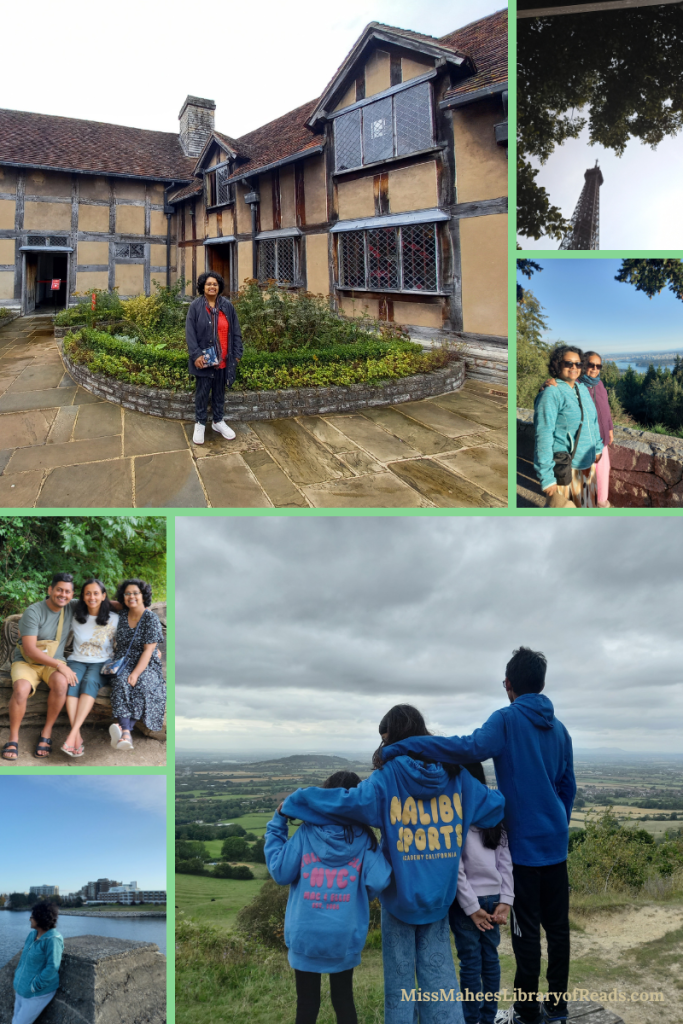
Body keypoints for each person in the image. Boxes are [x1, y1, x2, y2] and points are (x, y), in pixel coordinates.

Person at [382, 649, 576, 1024]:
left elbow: (469, 748)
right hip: (556, 844)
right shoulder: (561, 729)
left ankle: (526, 1011)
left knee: (526, 934)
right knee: (559, 930)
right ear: (542, 683)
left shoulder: (506, 720)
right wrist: (557, 824)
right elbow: (567, 786)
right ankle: (557, 1008)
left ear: (508, 685)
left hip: (525, 849)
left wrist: (405, 745)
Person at [282, 704, 506, 1024]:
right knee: (439, 985)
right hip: (439, 902)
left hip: (398, 901)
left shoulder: (386, 781)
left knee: (400, 989)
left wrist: (296, 802)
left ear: (394, 738)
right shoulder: (458, 779)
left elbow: (345, 803)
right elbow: (496, 808)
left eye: (385, 739)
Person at [265, 770, 392, 1024]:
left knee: (307, 1003)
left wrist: (278, 821)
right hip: (343, 935)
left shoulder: (306, 833)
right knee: (344, 1000)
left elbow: (280, 872)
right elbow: (379, 880)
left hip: (306, 934)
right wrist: (356, 896)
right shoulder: (365, 839)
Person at [449, 763, 514, 1024]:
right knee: (490, 960)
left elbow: (456, 867)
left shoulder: (455, 812)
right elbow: (505, 861)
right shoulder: (494, 810)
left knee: (470, 963)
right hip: (494, 897)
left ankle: (471, 1019)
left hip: (467, 902)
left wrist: (470, 905)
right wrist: (506, 900)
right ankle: (488, 1018)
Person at [4, 573, 80, 761]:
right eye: (59, 590)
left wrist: (134, 603)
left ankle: (46, 732)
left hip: (53, 663)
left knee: (62, 684)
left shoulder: (71, 607)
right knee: (21, 690)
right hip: (27, 662)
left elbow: (101, 600)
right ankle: (13, 738)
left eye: (67, 592)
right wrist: (60, 666)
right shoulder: (34, 611)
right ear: (50, 590)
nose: (63, 594)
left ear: (72, 594)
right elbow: (29, 650)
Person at [541, 351, 614, 508]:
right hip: (576, 449)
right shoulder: (576, 384)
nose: (595, 369)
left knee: (602, 472)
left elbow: (605, 410)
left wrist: (610, 429)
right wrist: (546, 386)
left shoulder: (599, 384)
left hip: (599, 442)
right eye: (591, 365)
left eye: (598, 366)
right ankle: (596, 503)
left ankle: (599, 501)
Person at [61, 577, 119, 758]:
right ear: (83, 597)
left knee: (89, 682)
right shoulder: (75, 616)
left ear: (103, 596)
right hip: (76, 660)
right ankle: (76, 737)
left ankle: (72, 735)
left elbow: (134, 610)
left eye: (96, 593)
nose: (92, 597)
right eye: (88, 593)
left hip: (102, 662)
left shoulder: (115, 619)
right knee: (72, 682)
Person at [185, 271, 243, 446]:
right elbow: (190, 333)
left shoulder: (227, 306)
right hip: (204, 359)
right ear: (203, 287)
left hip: (224, 358)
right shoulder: (195, 307)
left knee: (219, 392)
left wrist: (237, 353)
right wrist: (195, 355)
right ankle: (200, 423)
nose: (212, 287)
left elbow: (236, 331)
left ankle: (218, 421)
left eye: (215, 284)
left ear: (219, 288)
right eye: (209, 284)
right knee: (202, 392)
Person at [108, 578, 165, 751]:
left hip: (146, 662)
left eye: (135, 593)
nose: (131, 596)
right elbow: (105, 602)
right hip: (123, 660)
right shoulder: (123, 613)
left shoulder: (150, 618)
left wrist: (136, 673)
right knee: (120, 682)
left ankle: (124, 731)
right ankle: (125, 733)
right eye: (127, 593)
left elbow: (149, 651)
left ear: (143, 595)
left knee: (144, 684)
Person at [12, 902, 63, 1024]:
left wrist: (34, 987)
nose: (30, 919)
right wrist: (17, 976)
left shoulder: (53, 940)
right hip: (21, 988)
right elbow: (23, 958)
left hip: (36, 994)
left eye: (32, 916)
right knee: (15, 1019)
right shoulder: (32, 935)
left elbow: (52, 967)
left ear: (41, 918)